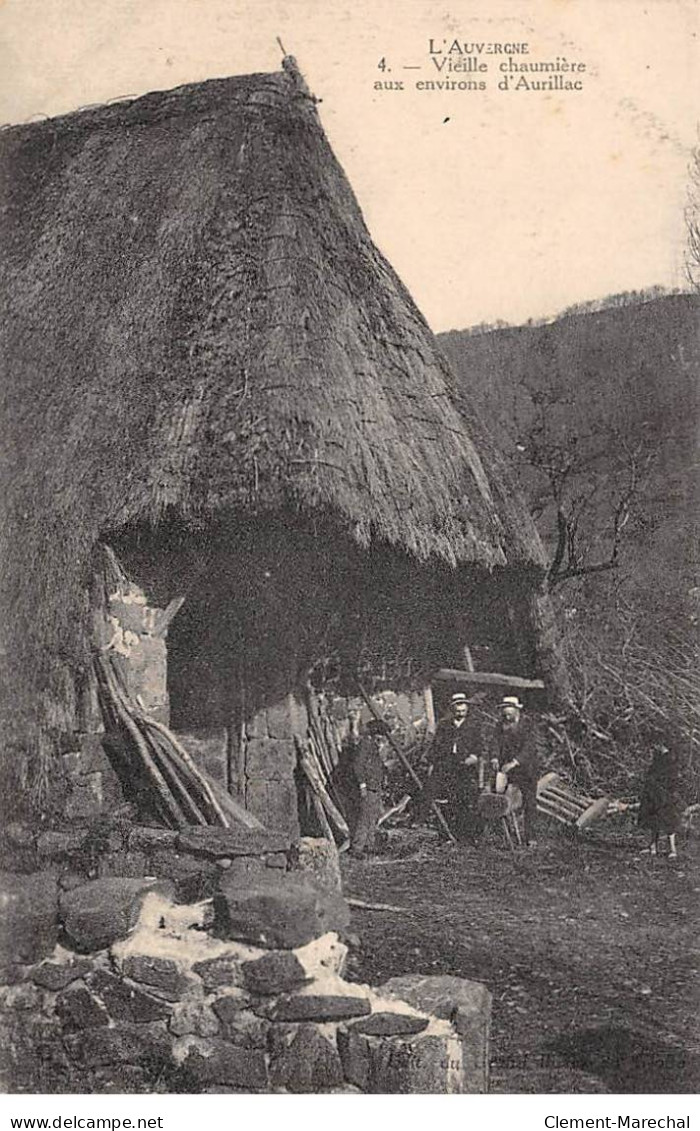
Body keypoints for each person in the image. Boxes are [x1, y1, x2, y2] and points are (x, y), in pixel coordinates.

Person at [428, 692, 484, 844]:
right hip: (447, 765)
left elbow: (479, 746)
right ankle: (447, 834)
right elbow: (435, 746)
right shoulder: (445, 725)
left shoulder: (474, 725)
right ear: (452, 709)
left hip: (465, 766)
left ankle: (466, 836)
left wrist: (474, 756)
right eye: (458, 711)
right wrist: (433, 763)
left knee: (465, 801)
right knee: (447, 801)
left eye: (463, 711)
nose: (460, 713)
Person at [493, 696, 539, 847]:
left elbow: (530, 748)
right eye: (504, 714)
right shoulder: (500, 726)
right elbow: (495, 744)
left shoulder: (528, 725)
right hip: (507, 770)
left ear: (517, 711)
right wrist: (494, 757)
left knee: (529, 803)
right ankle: (504, 834)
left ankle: (530, 836)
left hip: (526, 770)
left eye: (509, 714)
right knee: (500, 797)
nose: (506, 717)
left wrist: (514, 762)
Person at [350, 718, 391, 857]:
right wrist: (362, 785)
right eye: (381, 735)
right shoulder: (365, 744)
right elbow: (358, 766)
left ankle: (369, 844)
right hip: (368, 787)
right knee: (364, 817)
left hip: (375, 786)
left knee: (373, 816)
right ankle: (357, 848)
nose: (383, 738)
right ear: (376, 733)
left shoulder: (373, 745)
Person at [638, 743, 682, 858]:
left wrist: (665, 793)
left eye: (656, 745)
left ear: (661, 745)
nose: (654, 748)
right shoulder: (659, 758)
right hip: (654, 794)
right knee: (654, 819)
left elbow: (670, 780)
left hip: (663, 796)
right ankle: (653, 847)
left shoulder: (669, 760)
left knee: (668, 820)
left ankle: (672, 849)